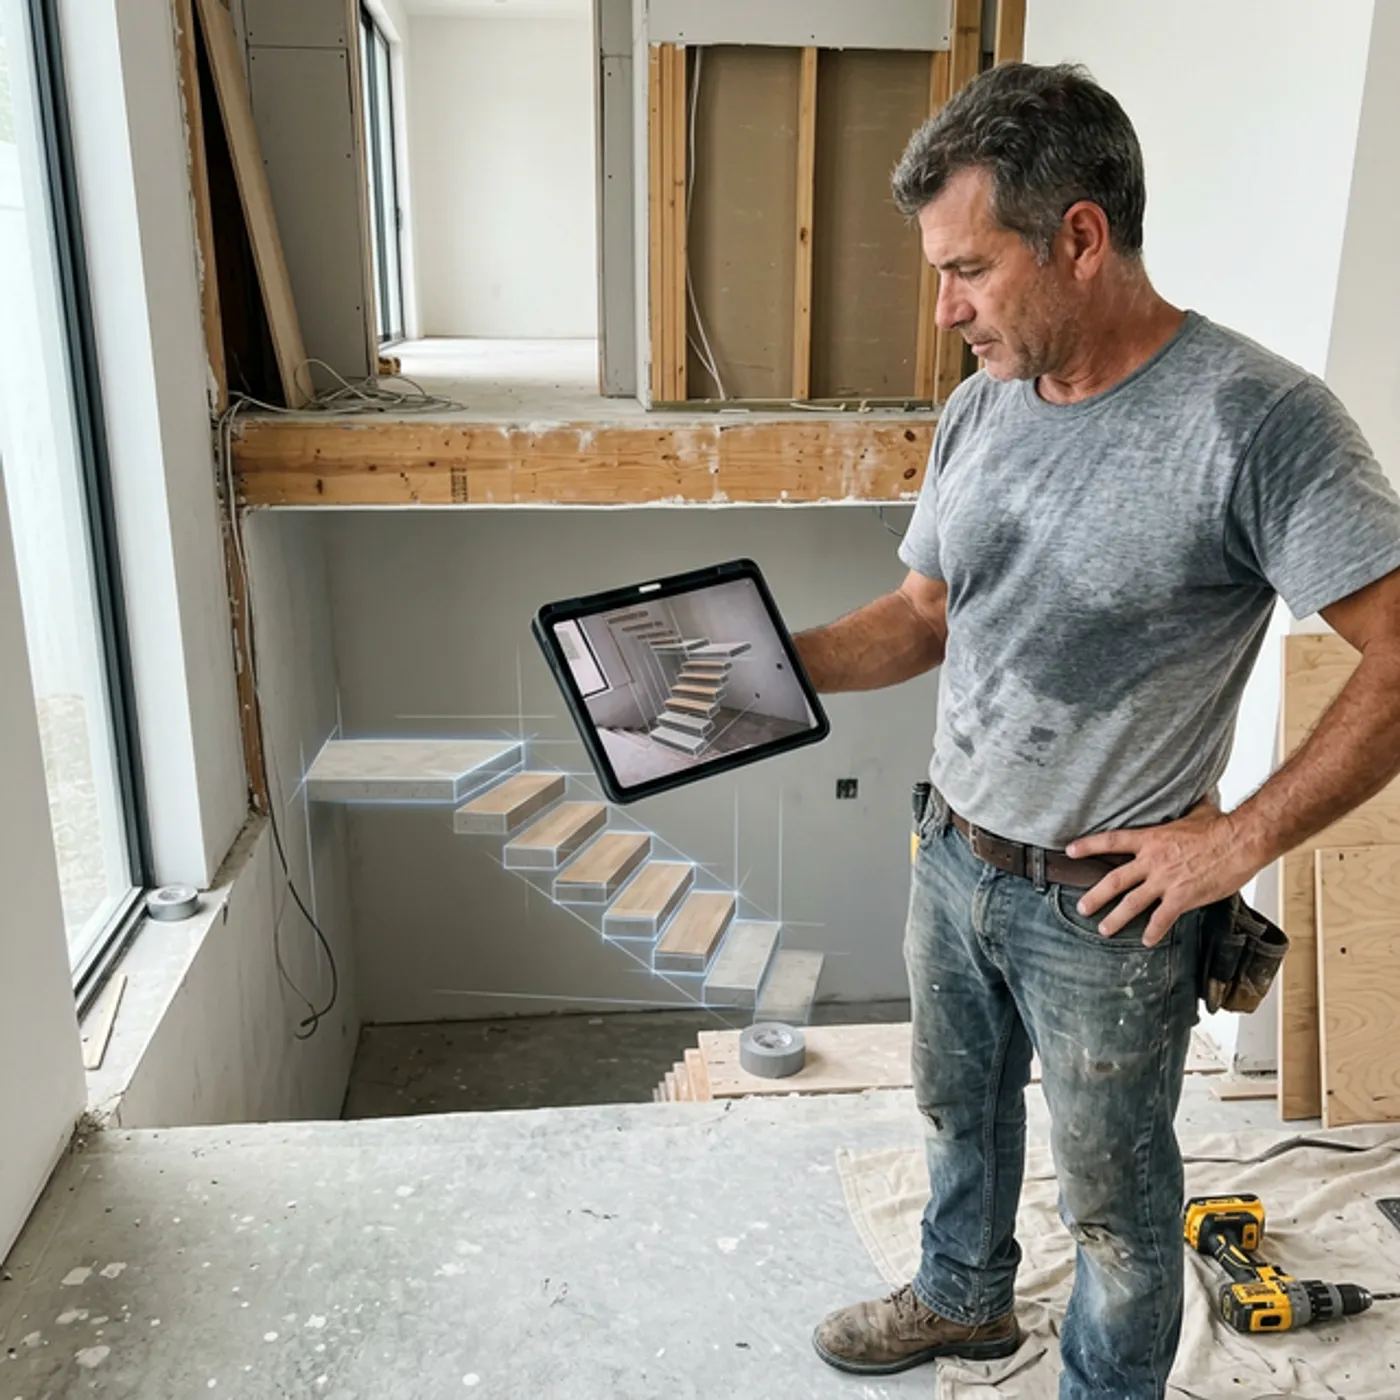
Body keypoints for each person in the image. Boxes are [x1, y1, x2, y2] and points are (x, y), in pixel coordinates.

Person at [794, 61, 1400, 1400]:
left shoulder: (1260, 422)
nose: (944, 308)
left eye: (968, 268)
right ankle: (963, 1301)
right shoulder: (982, 404)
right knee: (956, 1113)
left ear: (1078, 236)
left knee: (1121, 1215)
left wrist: (1232, 845)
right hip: (951, 852)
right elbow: (925, 614)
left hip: (1108, 914)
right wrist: (773, 670)